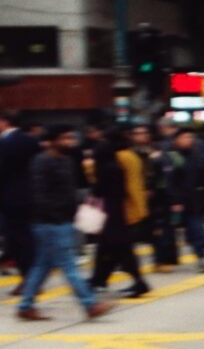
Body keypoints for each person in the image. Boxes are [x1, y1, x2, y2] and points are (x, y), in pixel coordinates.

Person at [16, 126, 112, 321]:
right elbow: (39, 195)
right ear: (52, 141)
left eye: (70, 137)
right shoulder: (41, 162)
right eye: (64, 138)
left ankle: (25, 305)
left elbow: (70, 191)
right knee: (68, 264)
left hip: (64, 220)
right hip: (49, 223)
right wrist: (57, 214)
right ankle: (90, 304)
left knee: (42, 265)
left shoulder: (67, 161)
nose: (69, 141)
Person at [88, 129, 152, 298]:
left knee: (118, 249)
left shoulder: (119, 159)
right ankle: (98, 279)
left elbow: (125, 187)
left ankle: (136, 282)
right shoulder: (132, 155)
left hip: (121, 210)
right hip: (128, 208)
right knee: (107, 248)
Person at [170, 126, 204, 270]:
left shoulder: (196, 155)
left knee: (195, 228)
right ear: (176, 140)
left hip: (194, 200)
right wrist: (175, 201)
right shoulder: (173, 157)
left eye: (190, 137)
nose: (189, 140)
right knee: (190, 232)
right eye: (185, 137)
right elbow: (172, 182)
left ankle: (203, 256)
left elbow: (203, 177)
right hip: (180, 201)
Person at [0, 108, 39, 289]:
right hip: (26, 196)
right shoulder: (29, 141)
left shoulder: (6, 143)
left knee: (19, 239)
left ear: (4, 121)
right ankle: (28, 278)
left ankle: (30, 279)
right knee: (19, 239)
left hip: (11, 198)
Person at [134, 124, 179, 272]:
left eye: (144, 133)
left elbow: (166, 172)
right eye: (138, 133)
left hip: (157, 196)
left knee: (159, 228)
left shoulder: (158, 152)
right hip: (135, 197)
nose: (142, 136)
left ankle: (161, 260)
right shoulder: (131, 153)